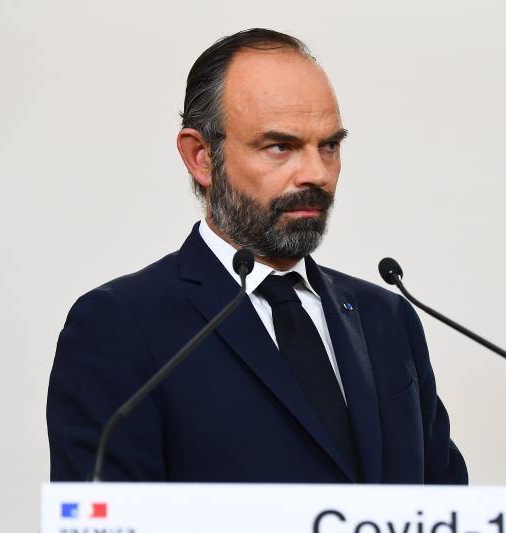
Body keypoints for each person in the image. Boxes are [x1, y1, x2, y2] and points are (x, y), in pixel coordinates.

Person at [47, 28, 467, 484]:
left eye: (329, 145)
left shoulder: (386, 318)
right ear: (201, 157)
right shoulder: (119, 325)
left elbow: (443, 514)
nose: (316, 173)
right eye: (280, 147)